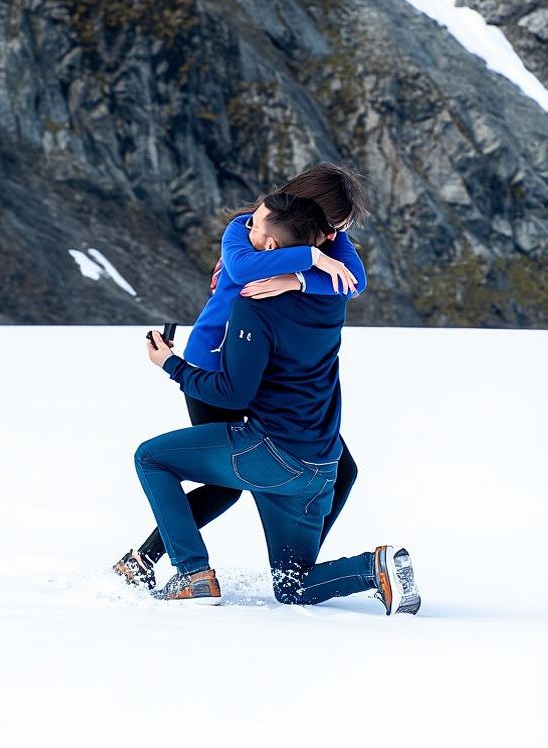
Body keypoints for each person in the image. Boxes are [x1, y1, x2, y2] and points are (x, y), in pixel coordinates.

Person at [130, 190, 420, 612]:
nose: (245, 226)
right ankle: (375, 568)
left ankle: (192, 572)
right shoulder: (332, 297)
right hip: (321, 466)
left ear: (268, 247)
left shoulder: (253, 308)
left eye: (255, 225)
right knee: (293, 587)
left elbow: (234, 393)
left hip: (273, 455)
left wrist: (170, 364)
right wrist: (309, 267)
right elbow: (347, 273)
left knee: (151, 458)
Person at [114, 163, 368, 590]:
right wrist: (311, 259)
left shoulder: (326, 243)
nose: (336, 235)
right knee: (221, 482)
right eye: (332, 225)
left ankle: (298, 569)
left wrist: (300, 280)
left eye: (338, 229)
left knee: (342, 469)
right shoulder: (244, 230)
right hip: (216, 365)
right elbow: (243, 267)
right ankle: (150, 559)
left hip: (265, 367)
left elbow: (353, 282)